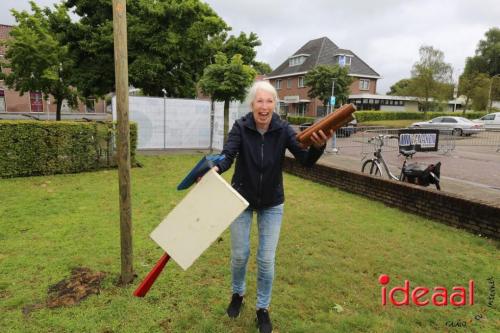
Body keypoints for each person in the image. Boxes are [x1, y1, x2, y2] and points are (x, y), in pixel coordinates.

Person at [213, 80, 331, 333]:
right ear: (252, 104)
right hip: (241, 200)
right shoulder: (241, 127)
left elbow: (305, 160)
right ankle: (237, 294)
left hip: (272, 204)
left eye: (269, 101)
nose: (264, 107)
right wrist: (215, 167)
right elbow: (228, 154)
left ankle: (262, 309)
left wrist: (319, 146)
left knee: (266, 260)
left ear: (275, 105)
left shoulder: (283, 129)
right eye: (259, 101)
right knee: (239, 255)